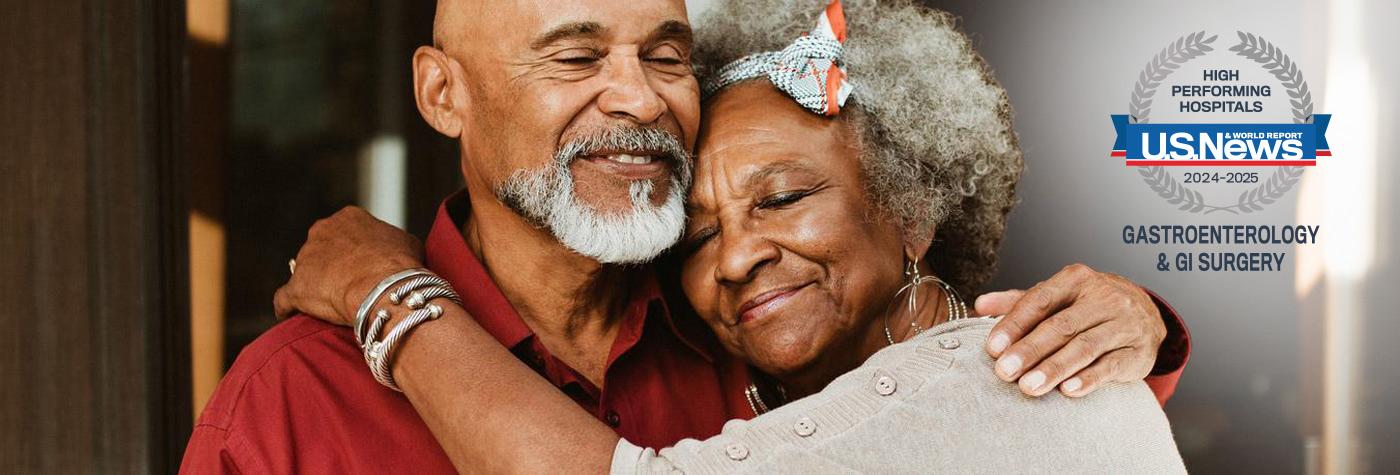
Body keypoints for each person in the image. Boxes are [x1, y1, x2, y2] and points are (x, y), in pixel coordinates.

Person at [182, 0, 1188, 473]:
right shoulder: (292, 397)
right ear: (442, 94)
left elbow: (977, 412)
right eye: (574, 56)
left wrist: (1134, 331)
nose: (632, 96)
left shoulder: (762, 350)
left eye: (662, 55)